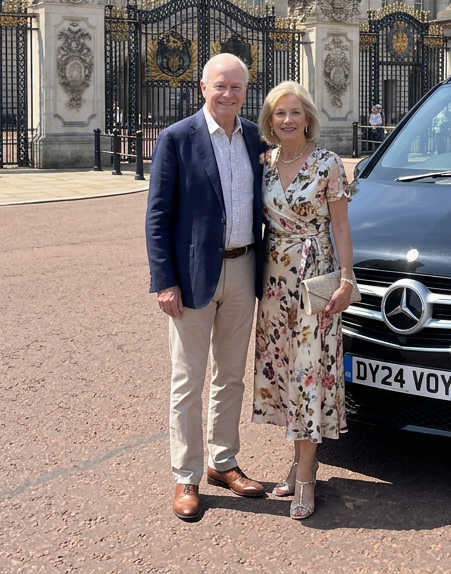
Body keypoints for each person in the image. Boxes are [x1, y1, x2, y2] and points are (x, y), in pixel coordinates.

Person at [145, 53, 268, 522]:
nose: (229, 94)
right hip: (193, 272)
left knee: (231, 374)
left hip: (243, 266)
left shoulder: (256, 137)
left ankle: (224, 462)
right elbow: (157, 216)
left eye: (236, 87)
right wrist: (164, 280)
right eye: (221, 86)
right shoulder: (177, 138)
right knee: (187, 380)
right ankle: (186, 476)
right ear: (203, 87)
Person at [253, 80, 354, 521]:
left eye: (295, 112)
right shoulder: (265, 163)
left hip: (315, 279)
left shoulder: (329, 163)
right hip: (275, 284)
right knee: (288, 372)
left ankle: (307, 475)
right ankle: (298, 461)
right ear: (270, 121)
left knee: (310, 371)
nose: (288, 120)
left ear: (308, 117)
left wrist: (347, 279)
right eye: (280, 113)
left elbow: (341, 227)